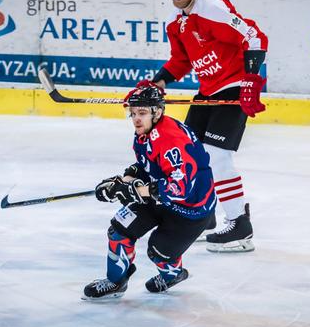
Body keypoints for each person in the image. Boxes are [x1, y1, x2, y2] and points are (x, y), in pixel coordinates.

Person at [143, 0, 268, 253]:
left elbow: (254, 36)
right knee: (192, 153)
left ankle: (239, 225)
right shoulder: (177, 22)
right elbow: (181, 61)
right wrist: (159, 82)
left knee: (218, 157)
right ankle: (204, 217)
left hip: (234, 86)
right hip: (208, 91)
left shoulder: (211, 9)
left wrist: (251, 80)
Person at [82, 82, 216, 300]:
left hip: (190, 209)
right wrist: (120, 183)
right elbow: (146, 166)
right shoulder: (146, 132)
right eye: (133, 112)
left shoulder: (171, 140)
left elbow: (180, 188)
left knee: (158, 252)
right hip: (160, 197)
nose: (136, 118)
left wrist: (135, 191)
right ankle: (116, 282)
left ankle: (173, 274)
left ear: (158, 112)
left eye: (142, 112)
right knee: (119, 230)